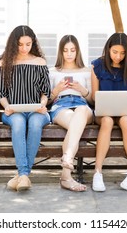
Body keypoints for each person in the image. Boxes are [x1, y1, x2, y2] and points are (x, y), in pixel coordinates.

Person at [0, 25, 51, 192]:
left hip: (37, 111)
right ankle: (24, 174)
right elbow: (0, 93)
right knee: (18, 124)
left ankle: (21, 175)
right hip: (13, 112)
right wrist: (7, 107)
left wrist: (42, 104)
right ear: (13, 44)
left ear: (33, 43)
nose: (24, 48)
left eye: (28, 44)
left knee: (34, 124)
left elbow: (45, 91)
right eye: (20, 44)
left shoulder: (39, 62)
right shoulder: (4, 63)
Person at [91, 32, 127, 192]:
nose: (118, 56)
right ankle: (97, 172)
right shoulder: (97, 66)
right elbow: (94, 97)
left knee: (126, 120)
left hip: (126, 113)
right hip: (104, 113)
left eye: (122, 53)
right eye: (115, 52)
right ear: (108, 49)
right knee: (107, 120)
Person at [48, 35, 93, 192]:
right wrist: (56, 90)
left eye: (72, 50)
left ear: (77, 51)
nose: (69, 54)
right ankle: (66, 175)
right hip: (60, 105)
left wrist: (82, 90)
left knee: (80, 113)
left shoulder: (87, 71)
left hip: (82, 104)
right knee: (75, 124)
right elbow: (47, 100)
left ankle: (67, 158)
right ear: (60, 52)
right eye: (65, 50)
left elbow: (93, 99)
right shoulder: (52, 71)